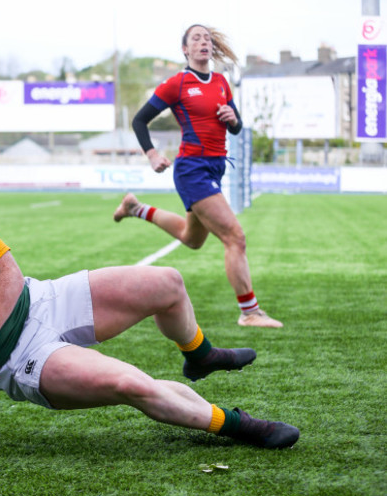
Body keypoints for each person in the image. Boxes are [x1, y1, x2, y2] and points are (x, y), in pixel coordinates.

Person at [0, 118, 299, 449]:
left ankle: (198, 355)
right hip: (20, 361)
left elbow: (10, 273)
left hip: (44, 299)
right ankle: (239, 425)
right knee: (132, 384)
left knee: (168, 283)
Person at [114, 24, 282, 328]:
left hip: (215, 168)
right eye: (196, 39)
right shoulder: (177, 84)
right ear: (185, 50)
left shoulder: (221, 82)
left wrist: (234, 119)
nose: (203, 42)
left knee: (191, 239)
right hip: (192, 169)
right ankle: (250, 312)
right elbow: (140, 120)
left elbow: (236, 126)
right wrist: (152, 154)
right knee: (235, 237)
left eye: (207, 38)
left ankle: (135, 208)